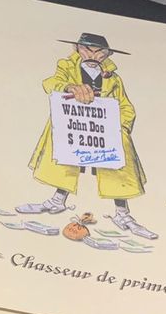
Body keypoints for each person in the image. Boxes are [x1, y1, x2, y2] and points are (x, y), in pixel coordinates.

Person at [16, 33, 157, 240]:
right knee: (67, 157)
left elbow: (126, 107)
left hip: (103, 129)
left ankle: (122, 214)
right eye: (87, 50)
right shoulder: (66, 67)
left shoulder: (113, 78)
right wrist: (70, 87)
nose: (93, 56)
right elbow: (52, 82)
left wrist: (120, 127)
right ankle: (57, 201)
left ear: (107, 54)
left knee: (118, 161)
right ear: (77, 49)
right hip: (73, 124)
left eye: (100, 52)